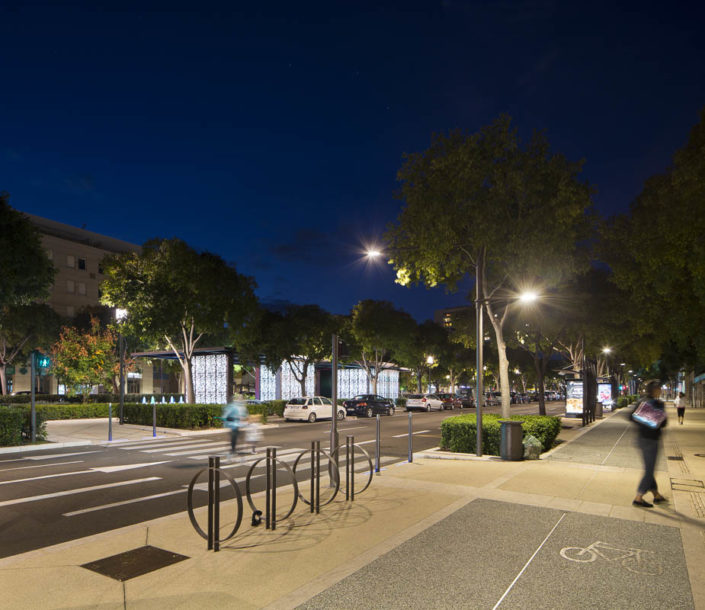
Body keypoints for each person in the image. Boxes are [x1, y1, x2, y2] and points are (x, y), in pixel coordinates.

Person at [631, 379, 668, 508]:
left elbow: (631, 417)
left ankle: (656, 494)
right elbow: (663, 423)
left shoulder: (641, 401)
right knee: (649, 470)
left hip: (641, 438)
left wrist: (644, 420)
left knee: (649, 468)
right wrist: (652, 419)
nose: (661, 390)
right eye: (659, 388)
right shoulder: (658, 404)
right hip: (652, 440)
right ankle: (639, 497)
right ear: (655, 390)